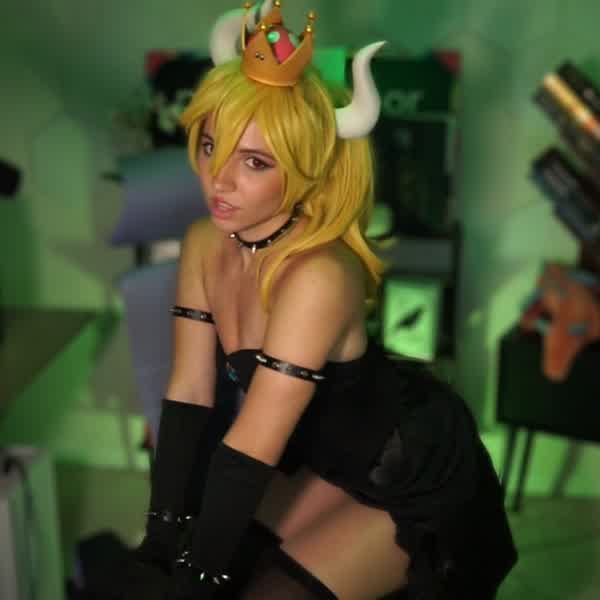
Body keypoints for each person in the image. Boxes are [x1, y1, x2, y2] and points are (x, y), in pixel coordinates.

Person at [122, 1, 517, 598]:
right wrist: (161, 531)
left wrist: (198, 572)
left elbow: (254, 436)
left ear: (305, 170)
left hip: (398, 468)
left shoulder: (319, 274)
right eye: (210, 145)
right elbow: (189, 391)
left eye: (255, 162)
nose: (219, 179)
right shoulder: (205, 241)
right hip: (312, 455)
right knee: (210, 556)